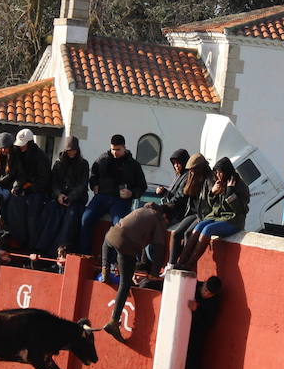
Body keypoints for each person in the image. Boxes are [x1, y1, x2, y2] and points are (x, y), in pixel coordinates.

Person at [100, 201, 173, 341]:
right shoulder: (158, 221)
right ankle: (113, 322)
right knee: (125, 284)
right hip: (126, 246)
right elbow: (159, 248)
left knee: (108, 239)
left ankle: (105, 268)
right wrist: (154, 273)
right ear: (164, 216)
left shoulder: (141, 210)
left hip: (111, 235)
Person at [173, 156, 249, 271]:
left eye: (220, 172)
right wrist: (212, 193)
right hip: (218, 217)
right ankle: (181, 261)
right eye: (216, 172)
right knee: (199, 226)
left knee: (207, 230)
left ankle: (190, 264)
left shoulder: (240, 186)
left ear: (226, 171)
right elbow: (213, 205)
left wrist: (229, 192)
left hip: (233, 220)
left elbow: (239, 209)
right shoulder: (220, 182)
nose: (217, 175)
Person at [79, 133, 146, 257]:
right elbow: (93, 175)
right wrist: (94, 185)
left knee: (119, 226)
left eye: (118, 150)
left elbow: (142, 186)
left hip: (120, 200)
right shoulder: (102, 159)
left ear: (124, 148)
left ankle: (116, 259)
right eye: (113, 149)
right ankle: (84, 253)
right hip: (102, 197)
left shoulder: (133, 165)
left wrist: (131, 193)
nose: (115, 152)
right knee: (86, 218)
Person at [179, 276, 222, 369]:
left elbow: (206, 324)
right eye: (205, 290)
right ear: (203, 285)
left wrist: (197, 310)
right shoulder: (193, 287)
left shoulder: (213, 304)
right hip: (184, 336)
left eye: (209, 294)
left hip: (196, 341)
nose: (206, 294)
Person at [4, 128, 50, 250]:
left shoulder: (41, 158)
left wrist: (28, 189)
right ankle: (17, 240)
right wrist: (17, 187)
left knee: (32, 217)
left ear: (29, 143)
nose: (20, 147)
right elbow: (17, 174)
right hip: (23, 189)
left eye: (23, 145)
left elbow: (43, 181)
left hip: (37, 192)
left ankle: (31, 247)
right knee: (13, 206)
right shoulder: (18, 154)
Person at [163, 153, 211, 269]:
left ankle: (184, 264)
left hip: (203, 214)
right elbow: (183, 194)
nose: (191, 172)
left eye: (193, 170)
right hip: (192, 212)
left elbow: (210, 202)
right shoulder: (191, 177)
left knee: (188, 233)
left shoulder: (209, 179)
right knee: (176, 233)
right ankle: (171, 265)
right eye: (190, 170)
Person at [45, 135, 89, 255]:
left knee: (71, 216)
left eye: (73, 150)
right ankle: (45, 248)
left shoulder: (83, 164)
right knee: (51, 212)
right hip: (60, 198)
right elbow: (54, 182)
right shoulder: (59, 164)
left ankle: (62, 247)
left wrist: (71, 197)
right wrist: (59, 195)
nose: (72, 153)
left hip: (76, 200)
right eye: (69, 150)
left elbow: (82, 185)